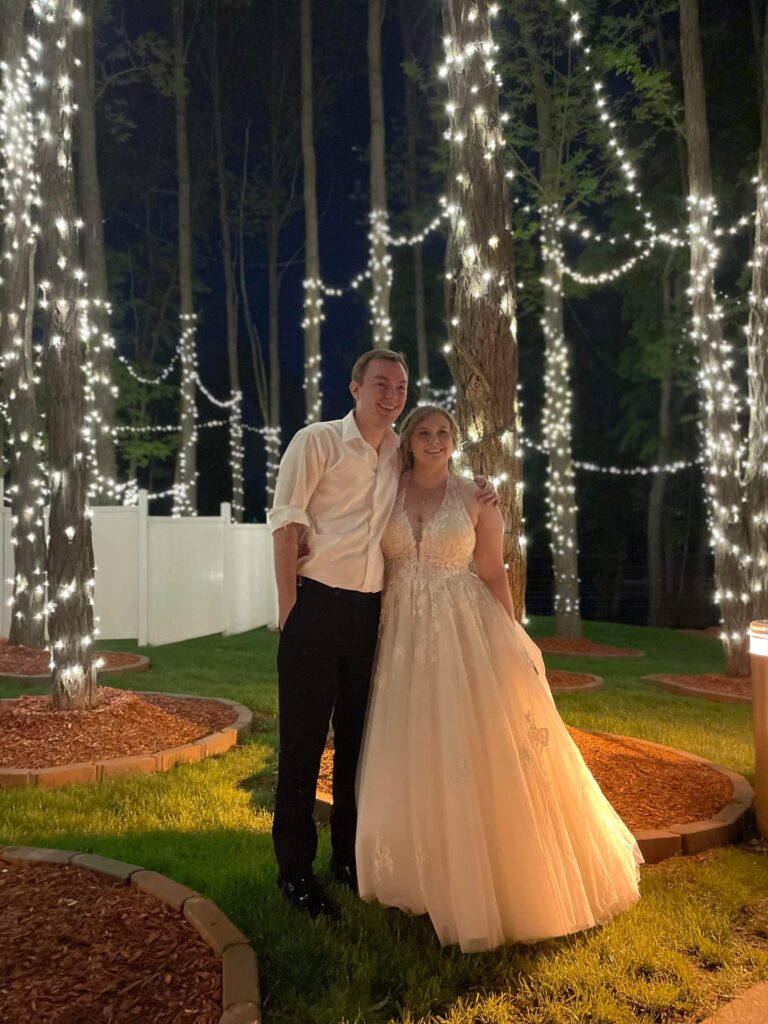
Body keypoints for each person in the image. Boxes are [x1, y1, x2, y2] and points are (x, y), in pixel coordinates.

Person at [356, 405, 643, 953]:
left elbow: (491, 570)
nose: (435, 441)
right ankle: (416, 872)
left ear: (454, 441)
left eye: (444, 433)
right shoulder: (385, 489)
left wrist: (513, 638)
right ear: (409, 441)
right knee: (411, 748)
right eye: (424, 433)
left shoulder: (476, 498)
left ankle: (490, 876)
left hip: (462, 628)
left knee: (473, 747)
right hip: (400, 633)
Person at [268, 352, 494, 918]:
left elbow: (433, 485)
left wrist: (480, 489)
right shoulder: (316, 441)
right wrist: (290, 611)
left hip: (372, 613)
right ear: (355, 387)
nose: (391, 393)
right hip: (316, 606)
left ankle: (348, 858)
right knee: (301, 745)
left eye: (400, 385)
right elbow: (285, 522)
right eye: (380, 384)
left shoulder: (398, 452)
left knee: (355, 746)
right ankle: (295, 871)